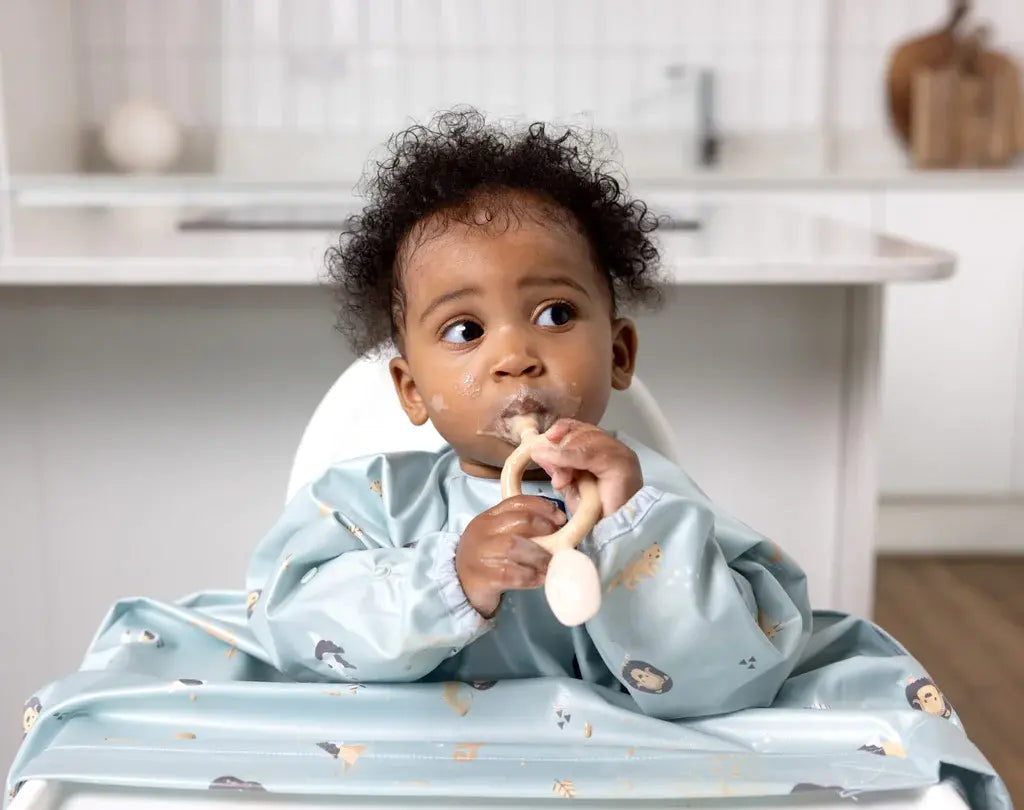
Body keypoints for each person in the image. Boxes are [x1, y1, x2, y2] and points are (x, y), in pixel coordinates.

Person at [245, 108, 811, 720]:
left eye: (555, 315)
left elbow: (739, 677)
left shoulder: (656, 499)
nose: (515, 356)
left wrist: (635, 532)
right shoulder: (372, 505)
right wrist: (447, 579)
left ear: (618, 354)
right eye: (465, 329)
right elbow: (292, 633)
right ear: (410, 389)